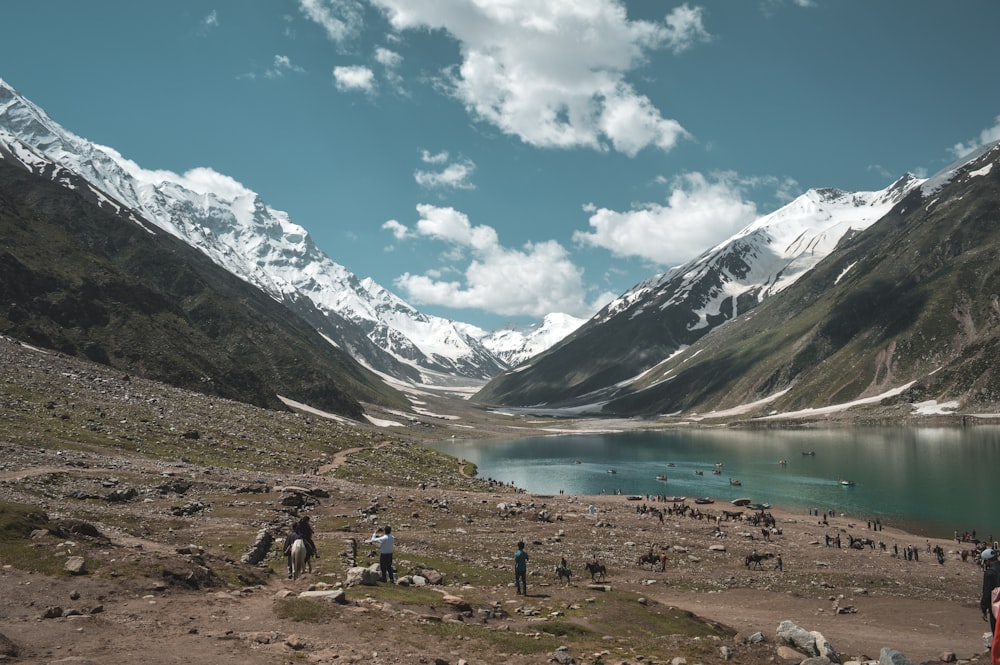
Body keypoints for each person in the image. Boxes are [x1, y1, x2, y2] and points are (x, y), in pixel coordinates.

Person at [981, 548, 1000, 634]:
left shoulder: (989, 573)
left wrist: (984, 608)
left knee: (997, 630)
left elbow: (986, 592)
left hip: (996, 605)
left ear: (988, 561)